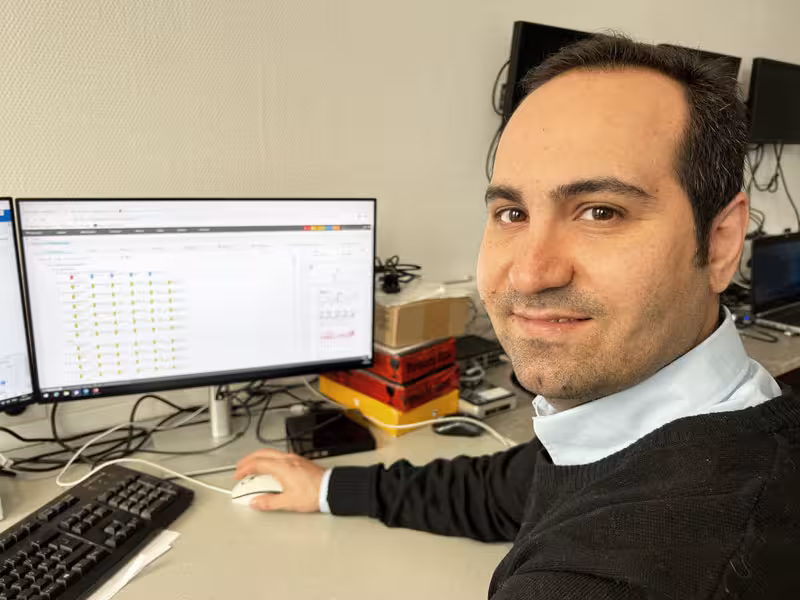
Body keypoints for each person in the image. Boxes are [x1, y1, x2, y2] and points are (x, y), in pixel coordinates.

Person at [235, 35, 800, 598]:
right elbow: (510, 488)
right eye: (512, 212)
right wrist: (329, 487)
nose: (529, 275)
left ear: (721, 243)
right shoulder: (661, 427)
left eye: (601, 212)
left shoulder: (637, 572)